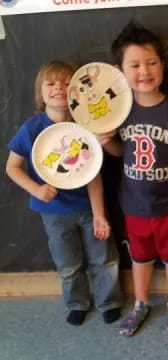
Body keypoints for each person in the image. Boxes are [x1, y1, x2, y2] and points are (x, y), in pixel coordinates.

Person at [100, 22, 168, 337]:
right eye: (135, 65)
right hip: (134, 203)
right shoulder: (120, 112)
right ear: (121, 71)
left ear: (163, 65)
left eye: (152, 62)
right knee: (140, 256)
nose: (145, 70)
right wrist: (106, 142)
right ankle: (141, 303)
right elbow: (119, 153)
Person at [6, 60, 122, 326]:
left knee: (104, 258)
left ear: (77, 91)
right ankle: (77, 302)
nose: (59, 87)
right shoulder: (32, 129)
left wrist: (100, 215)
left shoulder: (86, 125)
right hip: (53, 212)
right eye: (51, 83)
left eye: (67, 82)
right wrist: (35, 188)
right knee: (68, 264)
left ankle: (110, 301)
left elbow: (93, 174)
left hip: (88, 208)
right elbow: (12, 167)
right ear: (41, 93)